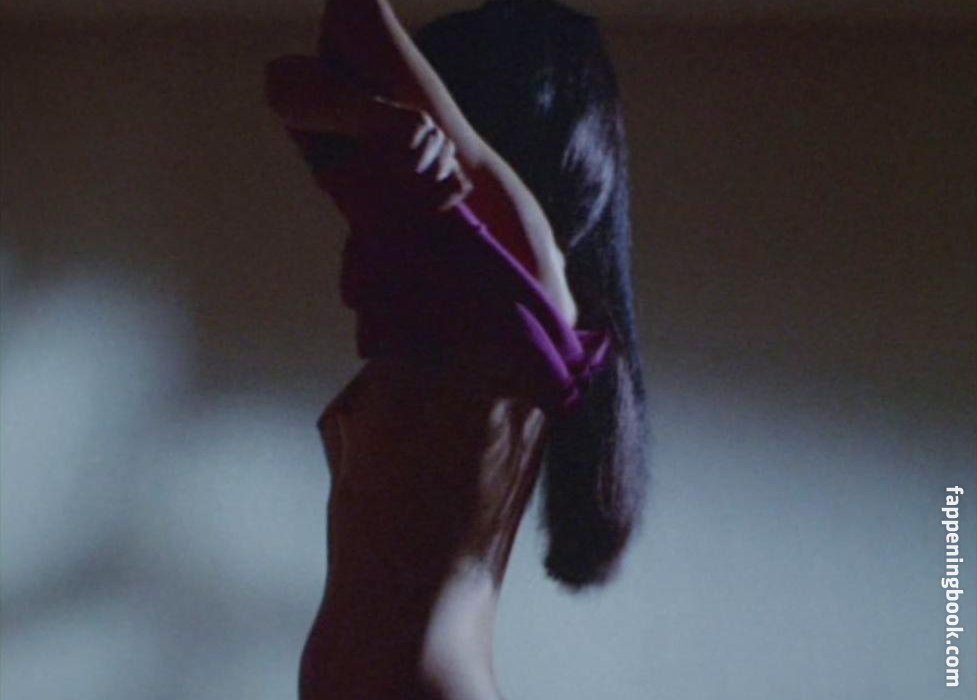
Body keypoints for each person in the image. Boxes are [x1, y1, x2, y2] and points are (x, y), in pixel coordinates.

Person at [266, 1, 646, 697]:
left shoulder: (530, 269)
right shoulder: (445, 308)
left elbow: (355, 24)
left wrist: (388, 119)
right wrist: (375, 120)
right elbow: (285, 85)